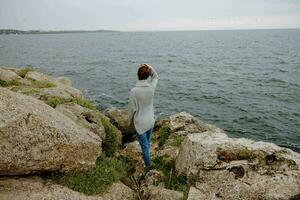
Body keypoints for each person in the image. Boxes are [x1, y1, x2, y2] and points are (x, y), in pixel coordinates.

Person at [128, 63, 158, 168]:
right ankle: (147, 158)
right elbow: (156, 76)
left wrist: (129, 123)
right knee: (147, 144)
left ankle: (148, 166)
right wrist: (149, 66)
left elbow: (132, 110)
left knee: (144, 147)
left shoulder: (134, 91)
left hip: (140, 124)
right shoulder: (151, 88)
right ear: (148, 75)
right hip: (150, 121)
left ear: (138, 75)